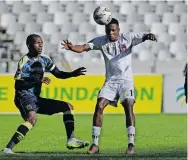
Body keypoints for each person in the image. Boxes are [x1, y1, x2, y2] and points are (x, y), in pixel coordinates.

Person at [61, 18, 157, 155]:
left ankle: (131, 143)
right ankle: (95, 144)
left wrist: (148, 36)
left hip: (126, 81)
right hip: (110, 82)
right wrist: (72, 48)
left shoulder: (127, 38)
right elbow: (83, 47)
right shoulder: (101, 41)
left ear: (118, 29)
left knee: (128, 104)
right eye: (108, 30)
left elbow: (143, 36)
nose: (111, 33)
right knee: (99, 106)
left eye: (113, 30)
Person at [1, 34, 89, 154]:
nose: (40, 45)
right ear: (29, 45)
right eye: (37, 42)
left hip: (36, 98)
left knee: (67, 106)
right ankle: (7, 149)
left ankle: (71, 139)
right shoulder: (25, 62)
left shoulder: (45, 59)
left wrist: (72, 74)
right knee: (32, 119)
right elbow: (18, 85)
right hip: (23, 96)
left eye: (41, 42)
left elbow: (57, 73)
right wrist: (37, 80)